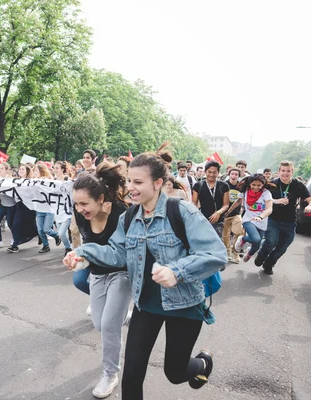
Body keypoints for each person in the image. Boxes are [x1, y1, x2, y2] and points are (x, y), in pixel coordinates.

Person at [64, 147, 227, 399]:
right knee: (131, 378)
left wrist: (177, 271)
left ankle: (203, 362)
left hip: (184, 306)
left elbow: (216, 254)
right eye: (129, 180)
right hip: (145, 305)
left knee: (174, 373)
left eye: (138, 182)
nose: (131, 187)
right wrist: (84, 253)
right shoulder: (129, 217)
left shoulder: (181, 211)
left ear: (158, 183)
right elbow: (117, 254)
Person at [66, 161, 131, 399]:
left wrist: (84, 253)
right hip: (97, 275)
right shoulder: (81, 214)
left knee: (109, 326)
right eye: (76, 204)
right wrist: (77, 259)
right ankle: (123, 312)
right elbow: (87, 248)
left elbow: (120, 254)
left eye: (84, 203)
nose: (80, 209)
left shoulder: (122, 213)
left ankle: (110, 374)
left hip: (122, 273)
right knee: (99, 324)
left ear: (101, 198)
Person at [255, 161, 311, 275]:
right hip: (273, 219)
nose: (285, 173)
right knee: (271, 242)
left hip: (290, 221)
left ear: (292, 172)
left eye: (288, 171)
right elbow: (260, 200)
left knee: (282, 247)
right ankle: (262, 254)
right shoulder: (271, 184)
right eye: (283, 171)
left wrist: (310, 206)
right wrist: (276, 201)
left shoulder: (298, 185)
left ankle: (268, 264)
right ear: (279, 172)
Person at [228, 174, 275, 263]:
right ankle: (243, 239)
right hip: (248, 219)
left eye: (259, 185)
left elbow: (269, 209)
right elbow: (238, 201)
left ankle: (249, 254)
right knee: (256, 239)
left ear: (263, 184)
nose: (256, 187)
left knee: (256, 244)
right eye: (253, 185)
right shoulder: (245, 191)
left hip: (261, 220)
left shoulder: (266, 193)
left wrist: (260, 217)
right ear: (249, 183)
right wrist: (229, 211)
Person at [191, 161, 230, 238]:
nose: (211, 175)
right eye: (209, 172)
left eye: (214, 172)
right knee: (203, 241)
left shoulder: (224, 185)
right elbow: (194, 203)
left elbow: (226, 205)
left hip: (218, 220)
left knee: (216, 242)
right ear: (205, 172)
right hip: (202, 219)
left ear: (218, 173)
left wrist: (218, 213)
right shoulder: (198, 185)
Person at [34, 163, 61, 253]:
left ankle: (57, 235)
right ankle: (46, 246)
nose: (34, 172)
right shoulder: (33, 181)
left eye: (36, 170)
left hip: (49, 208)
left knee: (46, 229)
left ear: (41, 171)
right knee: (40, 230)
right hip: (39, 208)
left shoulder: (49, 180)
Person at [223, 168, 246, 263]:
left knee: (239, 232)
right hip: (225, 214)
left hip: (236, 213)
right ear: (229, 174)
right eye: (232, 174)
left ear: (239, 175)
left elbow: (242, 198)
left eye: (236, 174)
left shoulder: (241, 186)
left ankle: (235, 252)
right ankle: (227, 251)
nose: (234, 176)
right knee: (225, 235)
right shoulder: (224, 184)